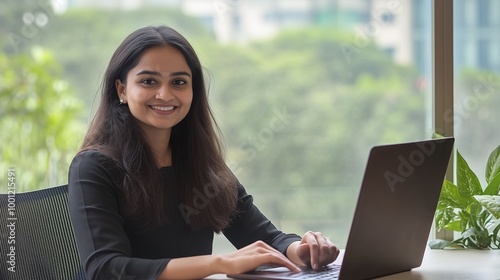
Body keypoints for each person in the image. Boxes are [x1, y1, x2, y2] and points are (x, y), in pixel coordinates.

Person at [67, 25, 339, 280]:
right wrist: (220, 263)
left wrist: (300, 249)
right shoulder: (93, 166)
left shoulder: (198, 162)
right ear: (122, 89)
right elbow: (105, 268)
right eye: (149, 81)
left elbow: (261, 235)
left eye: (179, 82)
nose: (165, 94)